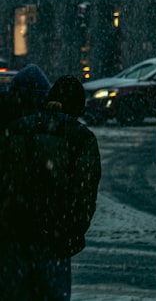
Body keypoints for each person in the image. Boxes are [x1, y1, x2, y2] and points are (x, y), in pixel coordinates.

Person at [0, 74, 102, 301]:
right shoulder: (80, 138)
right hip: (53, 238)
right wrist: (73, 233)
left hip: (13, 234)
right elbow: (84, 195)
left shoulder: (17, 129)